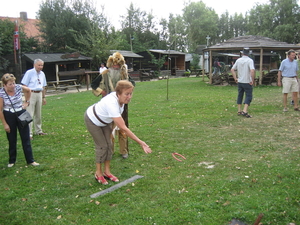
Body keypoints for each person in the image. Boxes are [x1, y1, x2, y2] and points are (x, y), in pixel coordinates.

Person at [84, 80, 152, 185]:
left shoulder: (122, 101)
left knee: (109, 145)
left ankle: (107, 172)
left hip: (105, 121)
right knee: (102, 146)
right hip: (92, 120)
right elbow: (123, 128)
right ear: (118, 93)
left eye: (130, 93)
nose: (129, 97)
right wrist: (141, 142)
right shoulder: (112, 103)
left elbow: (117, 122)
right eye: (126, 94)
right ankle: (98, 173)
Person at [91, 52, 130, 159]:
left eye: (117, 64)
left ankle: (123, 151)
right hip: (108, 105)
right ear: (111, 63)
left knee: (122, 128)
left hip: (122, 105)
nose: (115, 66)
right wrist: (101, 91)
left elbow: (132, 84)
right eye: (114, 64)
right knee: (109, 129)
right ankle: (110, 150)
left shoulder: (123, 73)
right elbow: (93, 84)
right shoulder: (105, 73)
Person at [0, 74, 39, 167]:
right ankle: (12, 161)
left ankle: (30, 160)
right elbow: (0, 110)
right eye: (10, 84)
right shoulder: (1, 93)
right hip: (9, 115)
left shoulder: (18, 87)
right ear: (4, 85)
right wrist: (5, 124)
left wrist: (27, 102)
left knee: (26, 138)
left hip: (21, 113)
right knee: (12, 139)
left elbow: (28, 90)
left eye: (13, 83)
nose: (13, 86)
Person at [21, 59, 47, 139]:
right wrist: (26, 99)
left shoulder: (42, 74)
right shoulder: (29, 73)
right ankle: (28, 133)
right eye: (39, 65)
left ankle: (38, 130)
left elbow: (43, 86)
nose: (40, 67)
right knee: (29, 114)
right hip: (31, 93)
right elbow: (24, 86)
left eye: (41, 65)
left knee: (38, 114)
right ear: (34, 65)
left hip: (39, 93)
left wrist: (43, 97)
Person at [231, 47, 255, 118]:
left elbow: (232, 70)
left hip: (240, 81)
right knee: (248, 95)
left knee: (240, 95)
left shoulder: (238, 60)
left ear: (242, 53)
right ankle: (244, 110)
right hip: (247, 81)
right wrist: (252, 79)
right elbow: (252, 70)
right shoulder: (250, 60)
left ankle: (239, 110)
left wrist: (235, 78)